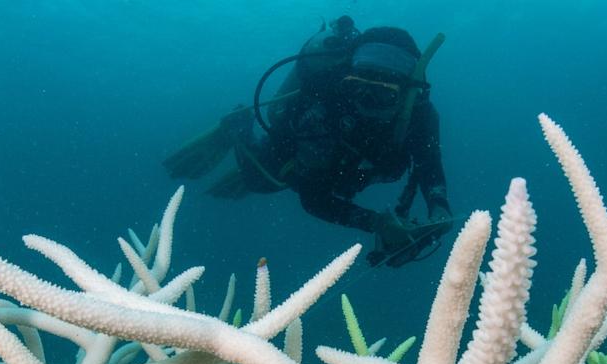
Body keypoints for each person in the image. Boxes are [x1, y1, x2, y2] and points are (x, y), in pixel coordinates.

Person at [179, 16, 454, 267]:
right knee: (261, 182)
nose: (365, 102)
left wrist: (439, 209)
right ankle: (238, 127)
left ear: (407, 95)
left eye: (382, 95)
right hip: (299, 157)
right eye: (357, 88)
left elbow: (429, 164)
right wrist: (376, 223)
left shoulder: (419, 117)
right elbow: (312, 197)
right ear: (346, 81)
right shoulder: (328, 105)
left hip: (348, 171)